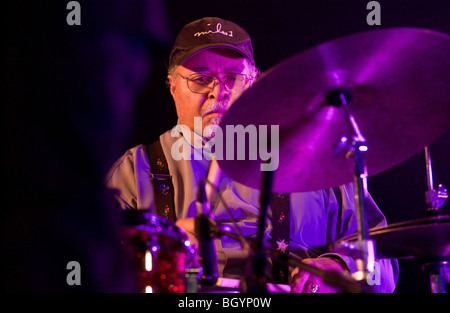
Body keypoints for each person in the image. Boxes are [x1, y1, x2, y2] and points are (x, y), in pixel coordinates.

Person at [106, 17, 399, 293]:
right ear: (172, 86)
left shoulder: (319, 161)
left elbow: (384, 260)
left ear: (254, 83)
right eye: (200, 78)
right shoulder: (134, 171)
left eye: (232, 77)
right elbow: (96, 263)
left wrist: (337, 266)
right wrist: (165, 249)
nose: (217, 92)